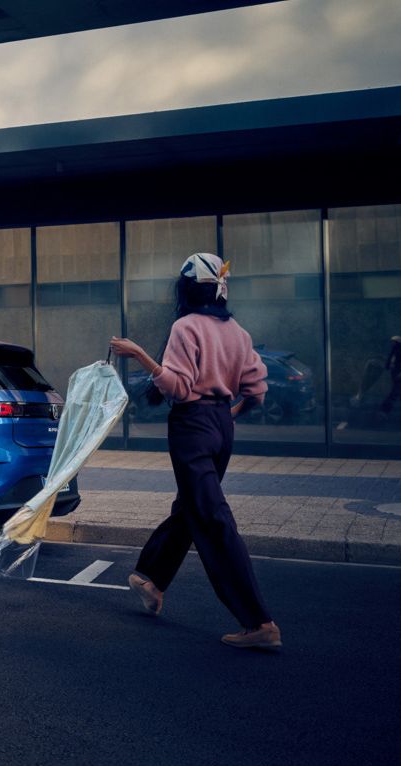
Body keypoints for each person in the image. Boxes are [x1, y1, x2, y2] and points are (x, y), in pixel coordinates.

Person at [108, 252, 282, 650]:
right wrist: (229, 415)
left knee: (213, 518)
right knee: (194, 505)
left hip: (191, 426)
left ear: (186, 288)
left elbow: (180, 388)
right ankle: (150, 578)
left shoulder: (186, 327)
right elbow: (257, 389)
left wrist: (139, 356)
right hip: (220, 427)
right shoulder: (237, 331)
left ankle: (259, 622)